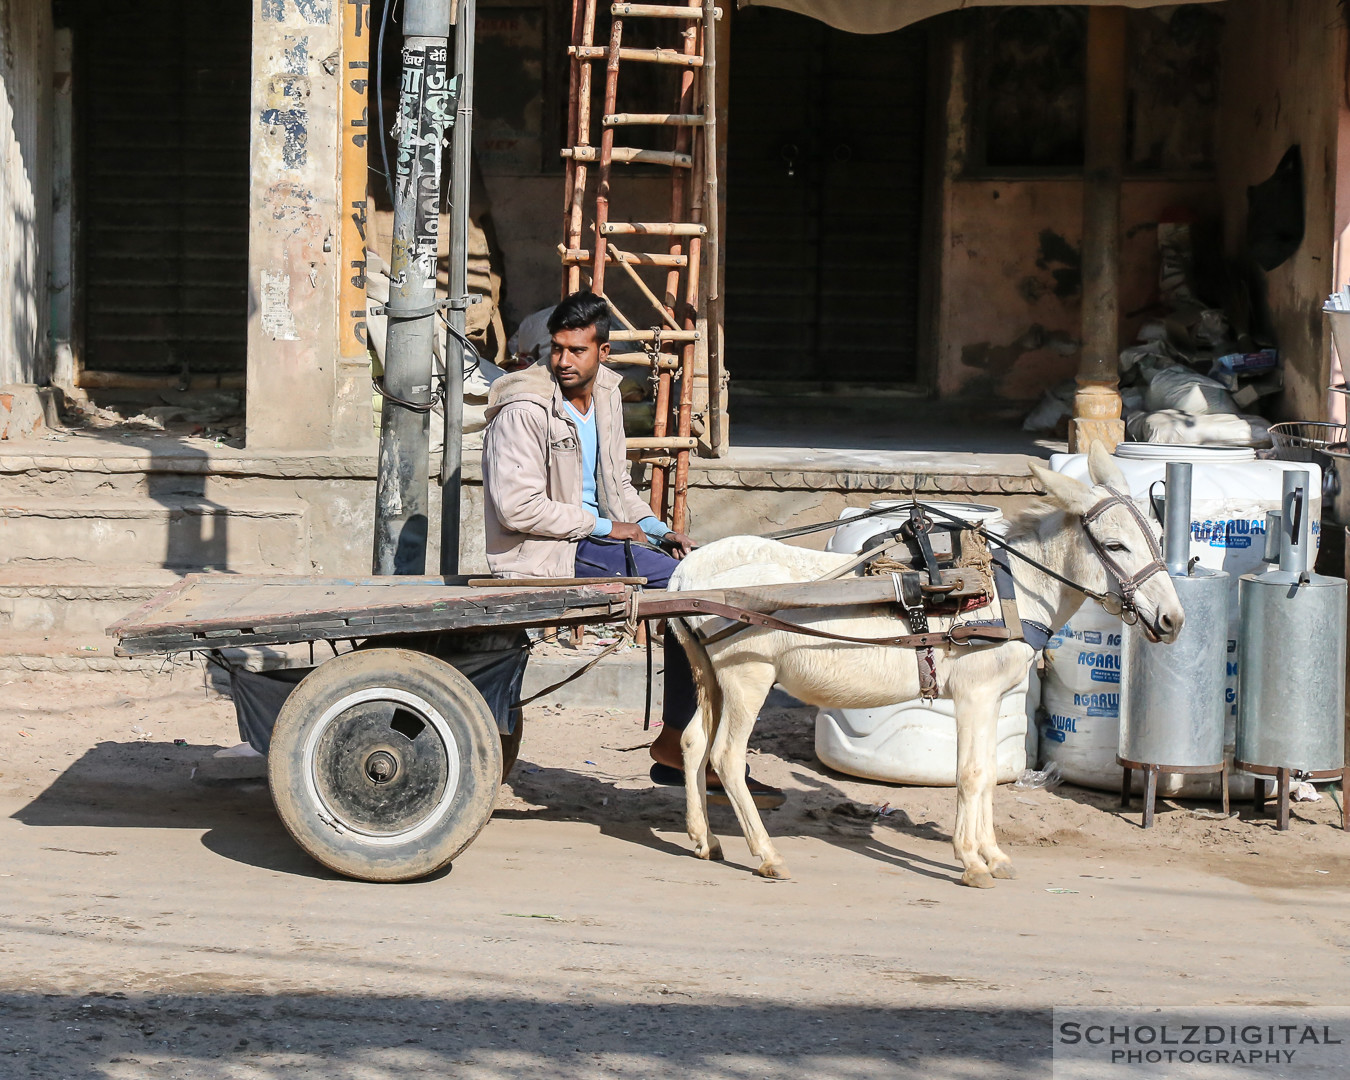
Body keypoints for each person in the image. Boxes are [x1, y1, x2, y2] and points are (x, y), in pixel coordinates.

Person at [482, 291, 783, 807]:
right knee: (687, 591)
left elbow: (618, 484)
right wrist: (604, 525)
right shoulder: (524, 406)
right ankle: (680, 741)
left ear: (602, 350)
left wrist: (657, 528)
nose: (564, 361)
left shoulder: (606, 394)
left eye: (577, 350)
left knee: (693, 576)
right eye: (557, 349)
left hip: (590, 534)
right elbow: (517, 509)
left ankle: (679, 737)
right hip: (544, 548)